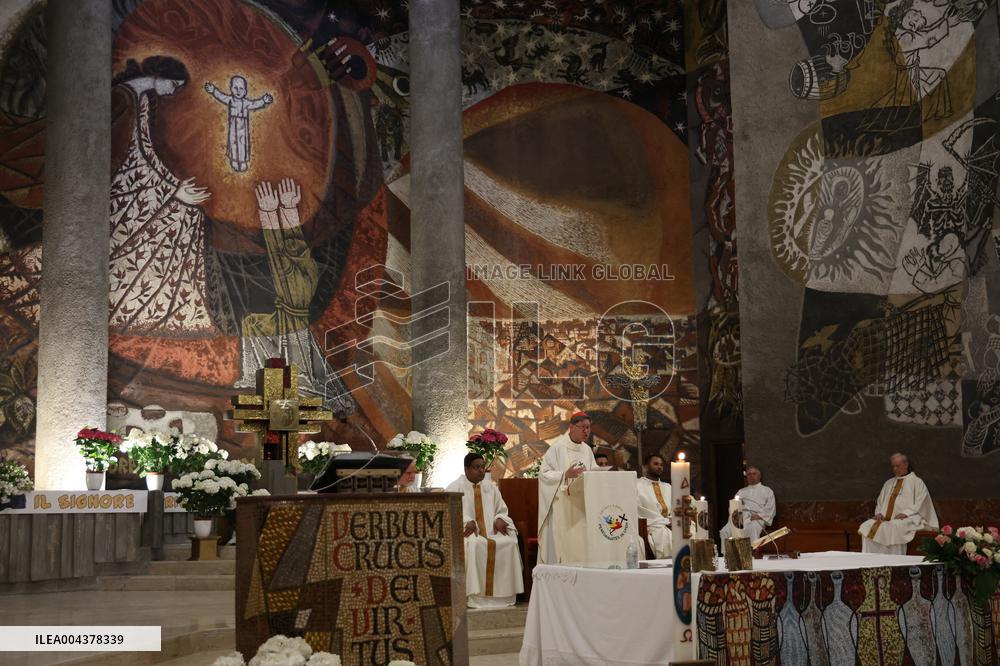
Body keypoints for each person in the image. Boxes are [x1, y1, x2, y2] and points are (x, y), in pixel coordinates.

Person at [446, 453, 524, 607]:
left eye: (483, 467)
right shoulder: (455, 487)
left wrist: (499, 518)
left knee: (509, 543)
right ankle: (475, 596)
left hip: (490, 532)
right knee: (475, 545)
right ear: (466, 469)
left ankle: (505, 595)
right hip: (468, 534)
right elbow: (448, 511)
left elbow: (501, 509)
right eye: (476, 467)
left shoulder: (491, 488)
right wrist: (466, 521)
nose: (481, 471)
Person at [537, 411, 598, 564]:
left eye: (588, 427)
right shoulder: (558, 448)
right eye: (582, 427)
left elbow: (593, 471)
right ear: (571, 427)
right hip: (562, 505)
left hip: (582, 505)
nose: (586, 431)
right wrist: (565, 474)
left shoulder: (587, 450)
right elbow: (544, 474)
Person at [859, 453, 938, 554]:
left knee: (895, 526)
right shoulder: (888, 483)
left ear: (906, 465)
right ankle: (871, 560)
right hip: (885, 519)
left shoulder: (916, 482)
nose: (895, 469)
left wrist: (906, 513)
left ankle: (894, 561)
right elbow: (880, 502)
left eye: (897, 466)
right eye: (893, 466)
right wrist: (878, 513)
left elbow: (921, 501)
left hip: (908, 518)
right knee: (867, 525)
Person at [204, 74, 273, 172]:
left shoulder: (246, 103)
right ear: (231, 89)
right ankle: (234, 160)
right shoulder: (230, 100)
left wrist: (263, 100)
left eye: (241, 88)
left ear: (245, 91)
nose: (238, 91)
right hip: (233, 127)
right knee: (233, 143)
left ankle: (243, 161)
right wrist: (213, 91)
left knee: (243, 145)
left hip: (243, 128)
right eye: (235, 88)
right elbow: (221, 96)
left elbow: (255, 104)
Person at [720, 466, 776, 542]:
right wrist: (737, 515)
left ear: (759, 476)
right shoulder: (741, 491)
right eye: (749, 474)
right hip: (740, 518)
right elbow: (733, 506)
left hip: (756, 518)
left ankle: (751, 552)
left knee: (751, 528)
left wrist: (759, 516)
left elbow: (770, 508)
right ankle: (727, 553)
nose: (751, 476)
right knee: (725, 531)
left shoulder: (767, 490)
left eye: (754, 474)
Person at [636, 453, 672, 558]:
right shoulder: (637, 485)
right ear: (646, 466)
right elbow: (639, 509)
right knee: (662, 534)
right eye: (656, 464)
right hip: (652, 524)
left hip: (669, 522)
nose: (659, 467)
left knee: (689, 527)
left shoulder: (668, 487)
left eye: (661, 464)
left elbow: (675, 508)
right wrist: (664, 521)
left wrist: (673, 519)